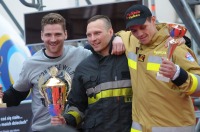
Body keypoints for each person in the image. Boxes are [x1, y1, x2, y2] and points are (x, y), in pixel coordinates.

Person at [0, 13, 124, 132]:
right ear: (42, 35)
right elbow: (16, 95)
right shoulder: (30, 64)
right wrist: (1, 97)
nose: (53, 39)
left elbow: (103, 44)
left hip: (75, 128)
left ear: (65, 34)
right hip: (43, 129)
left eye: (57, 34)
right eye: (48, 35)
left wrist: (118, 38)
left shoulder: (82, 54)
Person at [114, 4, 200, 132]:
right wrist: (117, 38)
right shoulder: (132, 40)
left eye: (143, 27)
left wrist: (178, 74)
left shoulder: (175, 45)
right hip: (140, 127)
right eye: (134, 30)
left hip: (173, 127)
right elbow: (121, 33)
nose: (140, 34)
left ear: (153, 20)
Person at [51, 15, 132, 132]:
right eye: (89, 35)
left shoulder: (129, 59)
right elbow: (78, 106)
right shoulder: (83, 68)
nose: (92, 39)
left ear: (110, 32)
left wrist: (120, 37)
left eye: (97, 33)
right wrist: (67, 120)